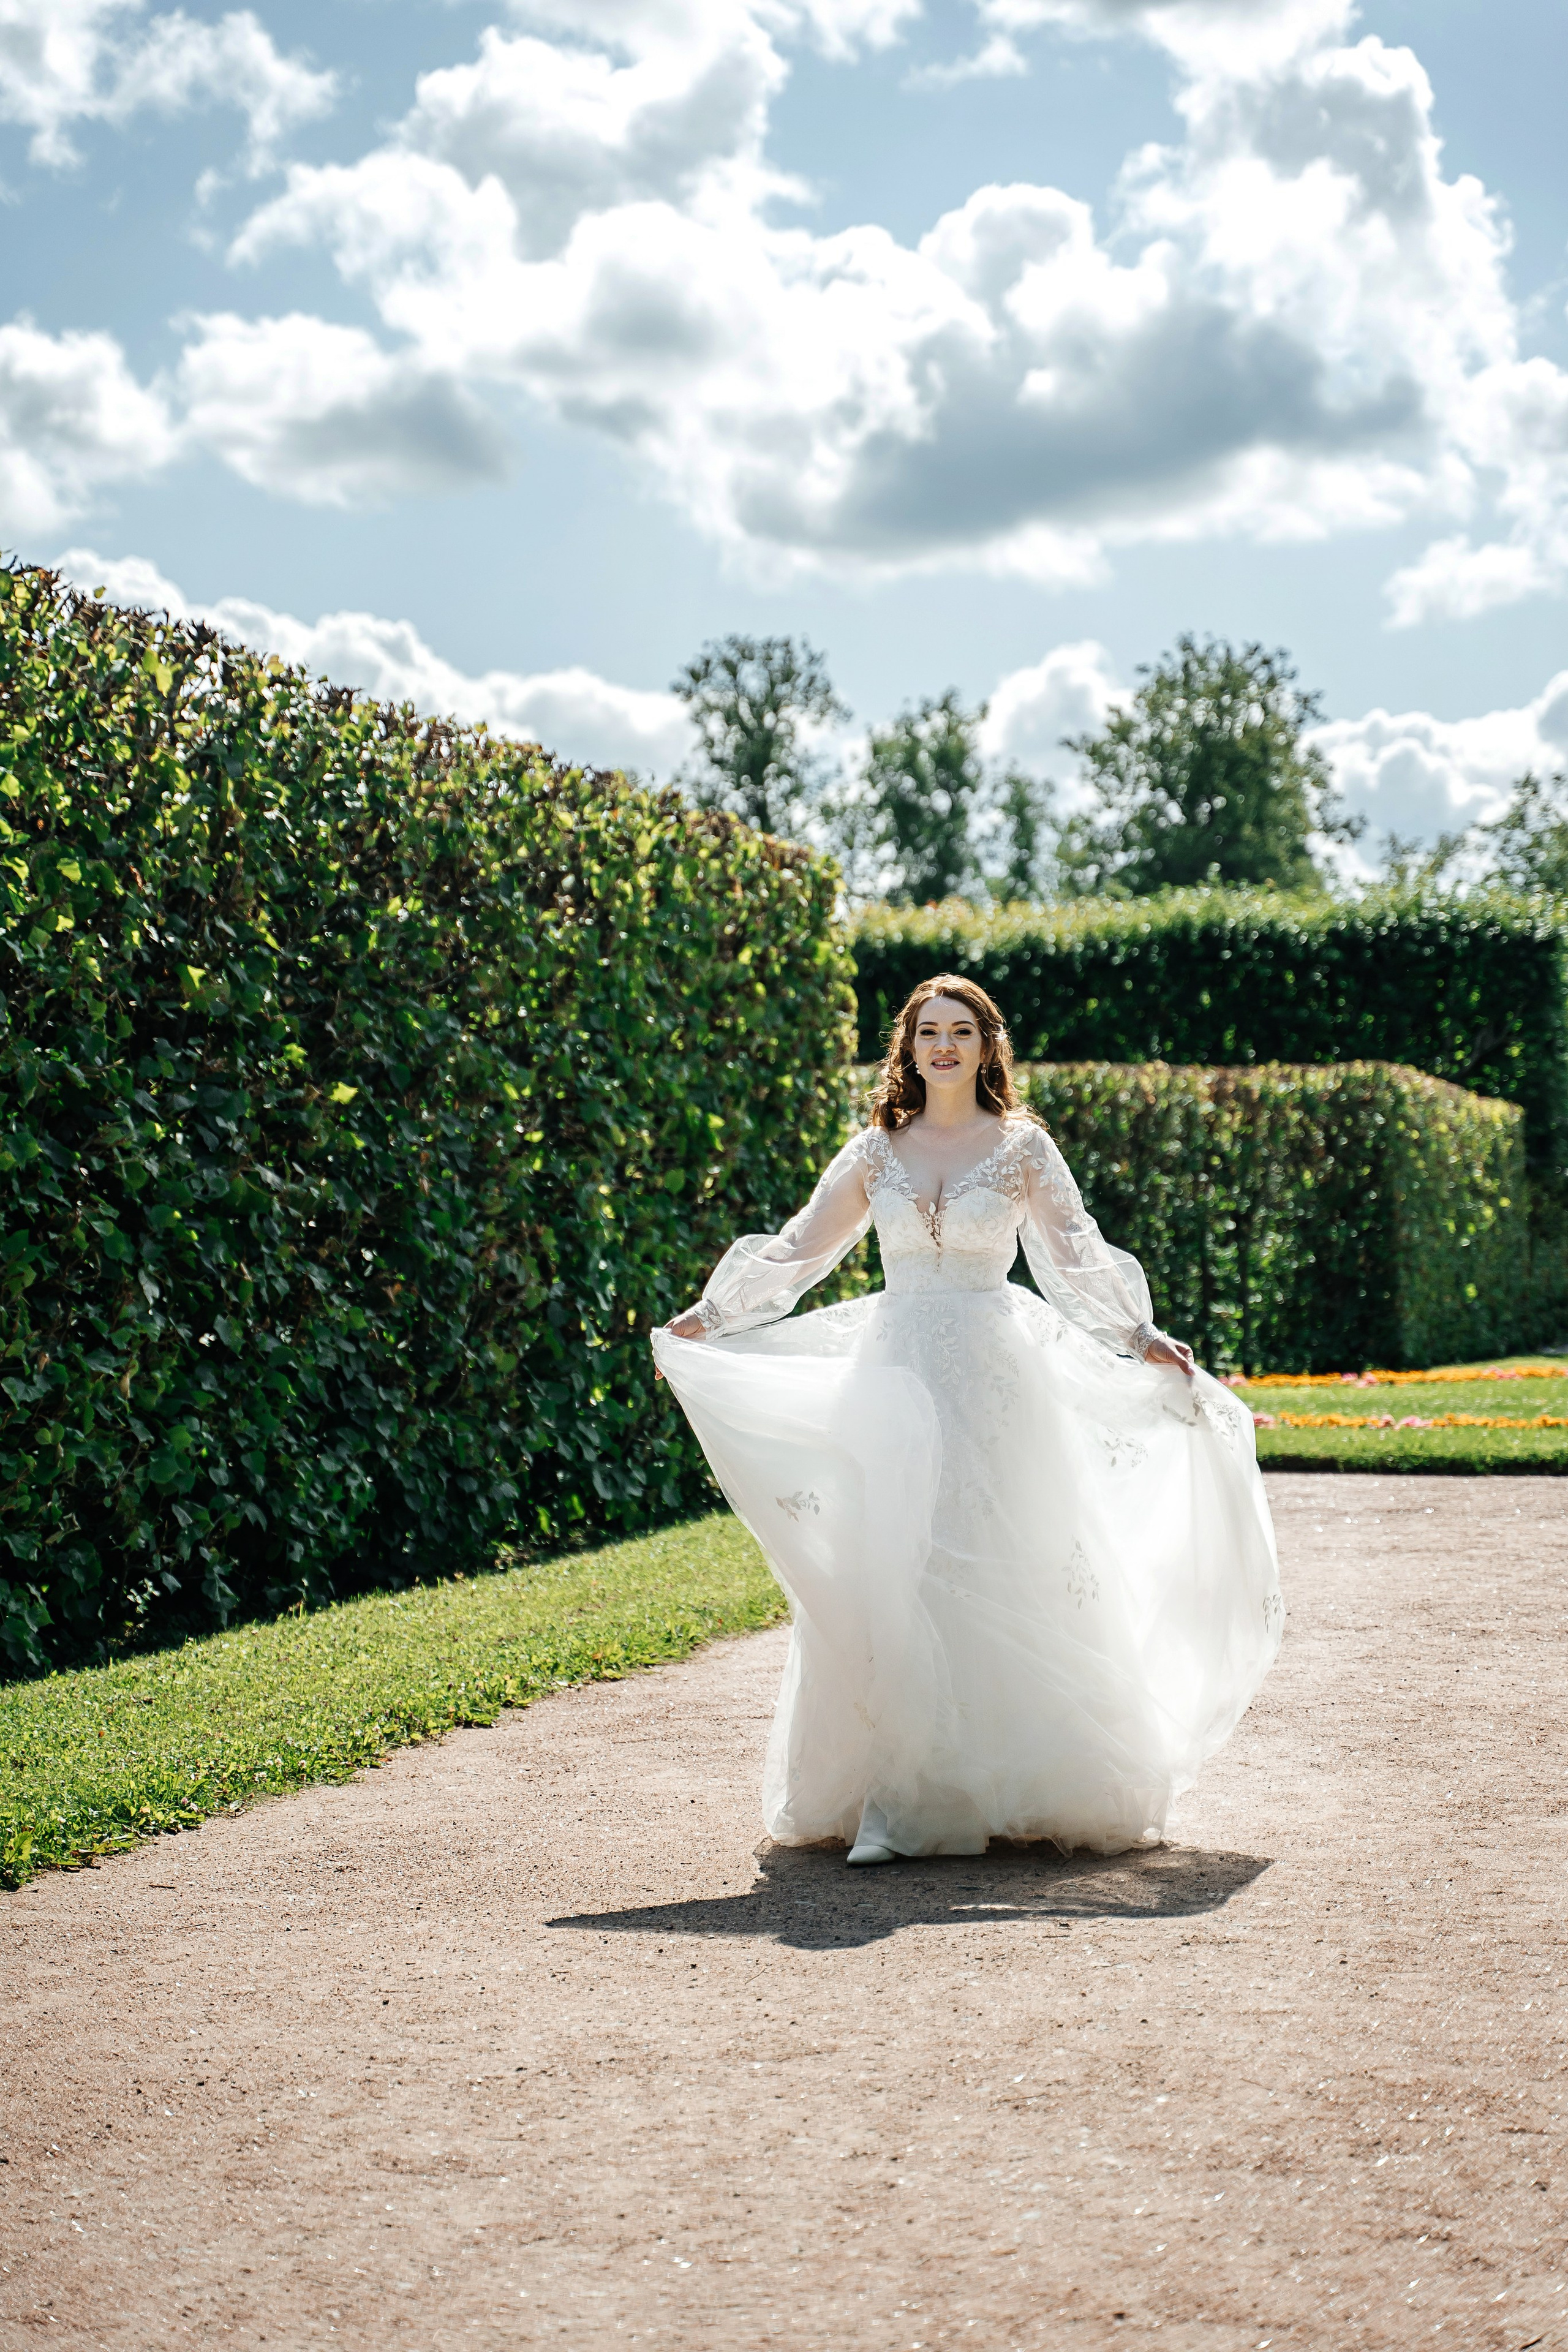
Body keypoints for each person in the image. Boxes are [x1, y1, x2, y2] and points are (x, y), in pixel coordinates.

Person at [652, 974, 1281, 1866]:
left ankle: (1022, 1782)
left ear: (988, 1047)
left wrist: (1138, 1333)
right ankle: (900, 1788)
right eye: (927, 1032)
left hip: (995, 1381)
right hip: (891, 1376)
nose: (942, 1046)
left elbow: (1076, 1252)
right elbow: (800, 1249)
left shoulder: (1022, 1146)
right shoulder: (874, 1151)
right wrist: (710, 1317)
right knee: (894, 1563)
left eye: (960, 1032)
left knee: (1003, 1552)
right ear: (906, 1049)